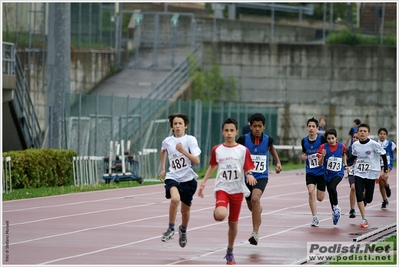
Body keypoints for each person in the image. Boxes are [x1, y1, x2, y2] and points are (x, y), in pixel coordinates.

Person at [198, 117, 257, 265]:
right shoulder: (217, 149)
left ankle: (230, 251)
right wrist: (203, 183)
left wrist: (249, 175)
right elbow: (212, 166)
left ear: (237, 132)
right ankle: (218, 209)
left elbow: (247, 167)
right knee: (220, 215)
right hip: (222, 188)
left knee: (233, 223)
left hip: (237, 189)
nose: (229, 133)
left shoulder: (243, 150)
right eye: (226, 131)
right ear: (222, 132)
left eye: (232, 130)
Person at [236, 112, 282, 245]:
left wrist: (278, 162)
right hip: (246, 177)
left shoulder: (268, 140)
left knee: (256, 198)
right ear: (250, 126)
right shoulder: (243, 139)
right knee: (252, 206)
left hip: (261, 176)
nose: (257, 129)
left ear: (264, 127)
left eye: (259, 126)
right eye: (254, 126)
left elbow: (271, 149)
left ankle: (255, 233)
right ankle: (258, 211)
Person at [158, 113, 201, 247]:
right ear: (172, 127)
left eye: (180, 124)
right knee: (175, 199)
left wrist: (183, 151)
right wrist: (163, 168)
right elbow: (163, 150)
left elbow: (197, 161)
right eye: (175, 124)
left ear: (185, 126)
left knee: (185, 211)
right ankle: (170, 228)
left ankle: (183, 230)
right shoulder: (167, 141)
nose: (177, 126)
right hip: (173, 177)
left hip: (188, 179)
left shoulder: (190, 140)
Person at [347, 123, 388, 228]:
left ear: (368, 133)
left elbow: (383, 154)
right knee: (358, 193)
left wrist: (386, 168)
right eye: (360, 131)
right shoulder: (355, 145)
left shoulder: (374, 144)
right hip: (359, 172)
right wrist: (345, 163)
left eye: (365, 131)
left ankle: (365, 198)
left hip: (371, 172)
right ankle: (364, 219)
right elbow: (353, 156)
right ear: (357, 132)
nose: (362, 133)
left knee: (369, 199)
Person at [317, 128, 348, 225]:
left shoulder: (342, 146)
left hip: (338, 172)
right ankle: (335, 211)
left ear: (336, 137)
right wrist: (322, 156)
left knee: (332, 187)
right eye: (329, 138)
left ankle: (337, 207)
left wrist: (345, 164)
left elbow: (343, 155)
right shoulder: (323, 147)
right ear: (326, 139)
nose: (331, 140)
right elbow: (319, 163)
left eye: (332, 138)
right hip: (327, 173)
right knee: (330, 192)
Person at [301, 117, 327, 227]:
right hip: (310, 171)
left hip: (321, 172)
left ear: (317, 129)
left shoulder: (322, 139)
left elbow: (328, 150)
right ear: (307, 128)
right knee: (310, 191)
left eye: (313, 126)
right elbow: (304, 153)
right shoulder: (304, 141)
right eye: (309, 126)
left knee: (320, 198)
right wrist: (303, 156)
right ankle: (314, 217)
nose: (311, 128)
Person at [376, 127, 396, 210]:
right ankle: (385, 200)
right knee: (380, 184)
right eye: (381, 134)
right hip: (377, 165)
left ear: (386, 135)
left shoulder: (390, 144)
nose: (382, 135)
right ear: (378, 135)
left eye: (384, 134)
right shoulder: (375, 144)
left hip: (387, 164)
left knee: (383, 176)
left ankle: (387, 186)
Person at [346, 130, 359, 218]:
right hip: (352, 169)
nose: (354, 139)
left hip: (362, 171)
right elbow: (346, 159)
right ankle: (352, 209)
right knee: (353, 187)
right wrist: (346, 166)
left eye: (356, 138)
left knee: (361, 191)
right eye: (353, 137)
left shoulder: (366, 147)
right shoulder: (350, 148)